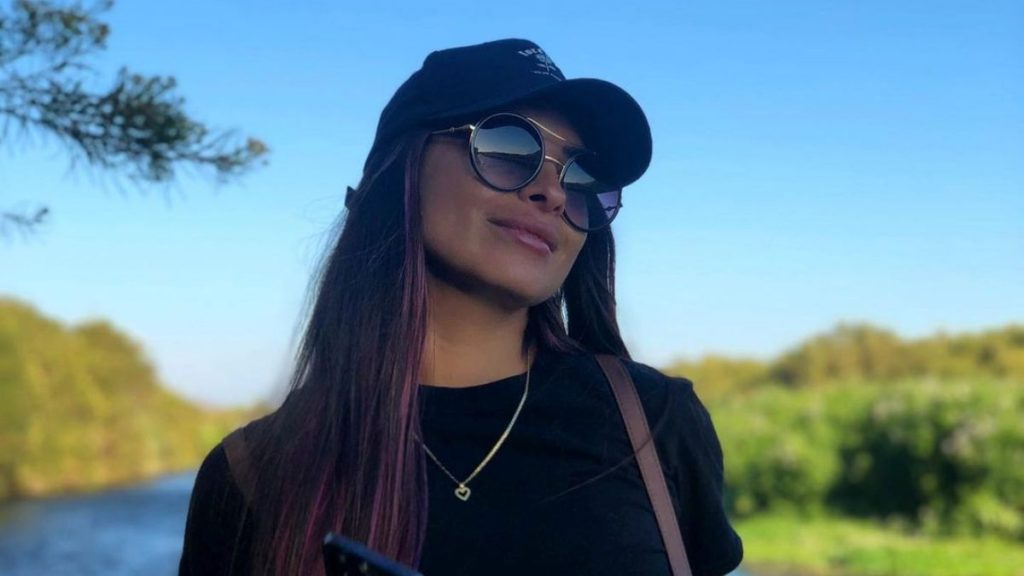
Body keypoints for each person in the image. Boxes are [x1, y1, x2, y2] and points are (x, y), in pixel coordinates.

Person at [179, 38, 743, 576]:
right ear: (402, 169)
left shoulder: (655, 421)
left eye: (581, 178)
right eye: (508, 148)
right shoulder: (251, 473)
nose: (552, 193)